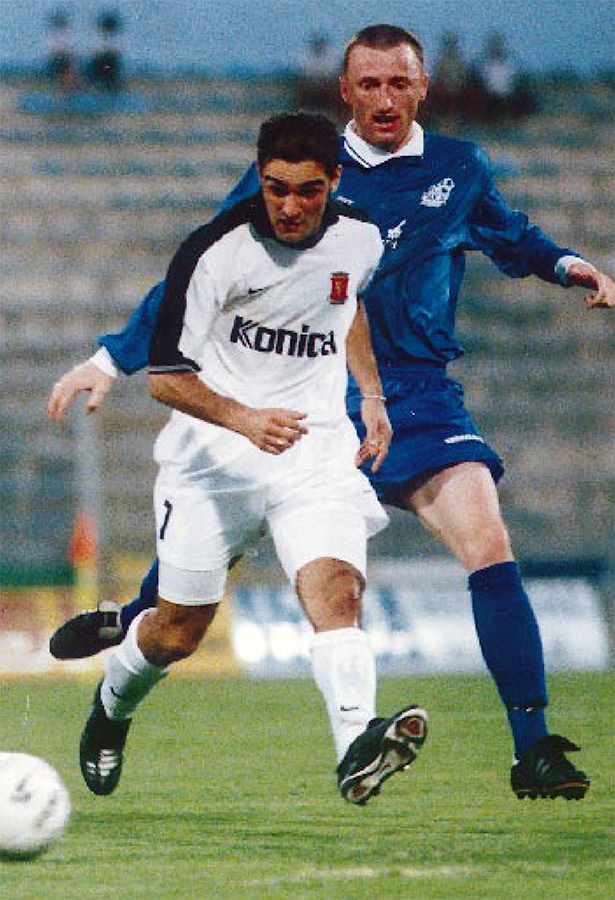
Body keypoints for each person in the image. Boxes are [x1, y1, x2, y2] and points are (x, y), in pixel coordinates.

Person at [49, 25, 615, 801]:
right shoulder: (296, 178)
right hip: (279, 406)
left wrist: (563, 264)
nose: (384, 98)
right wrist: (112, 357)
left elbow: (499, 240)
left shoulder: (452, 171)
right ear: (344, 92)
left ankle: (522, 747)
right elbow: (186, 289)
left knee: (472, 549)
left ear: (424, 88)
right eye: (369, 85)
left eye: (398, 83)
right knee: (190, 609)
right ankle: (140, 619)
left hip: (402, 399)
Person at [74, 111, 428, 804]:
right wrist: (245, 419)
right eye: (275, 189)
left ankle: (356, 747)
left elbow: (345, 302)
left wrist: (371, 393)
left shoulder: (359, 238)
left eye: (307, 191)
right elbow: (166, 376)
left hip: (312, 450)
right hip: (212, 460)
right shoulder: (214, 252)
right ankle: (110, 709)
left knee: (336, 593)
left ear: (333, 181)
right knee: (177, 633)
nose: (289, 206)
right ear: (258, 178)